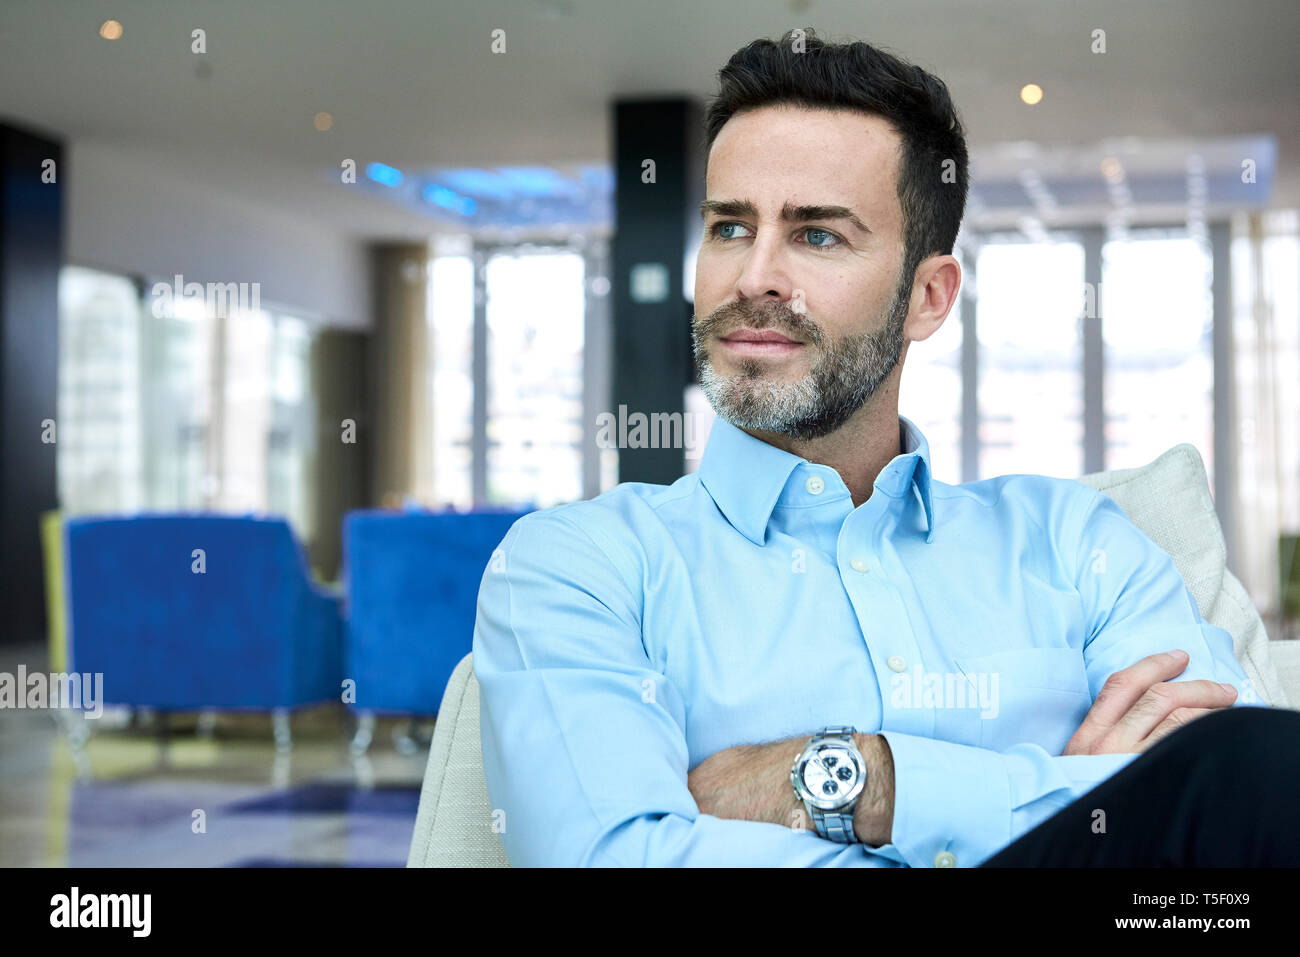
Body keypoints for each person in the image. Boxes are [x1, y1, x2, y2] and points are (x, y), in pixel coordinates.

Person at [472, 29, 1295, 867]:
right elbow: (612, 857)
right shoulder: (577, 565)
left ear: (929, 297)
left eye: (817, 235)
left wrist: (865, 780)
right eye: (728, 227)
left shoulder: (1081, 545)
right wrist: (1064, 799)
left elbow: (1237, 797)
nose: (753, 275)